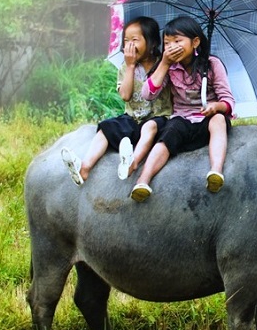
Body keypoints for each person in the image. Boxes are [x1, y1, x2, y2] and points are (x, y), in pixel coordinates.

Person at [130, 16, 235, 202]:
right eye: (167, 43)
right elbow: (148, 94)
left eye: (177, 41)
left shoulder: (212, 64)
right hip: (182, 119)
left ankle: (216, 171)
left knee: (219, 119)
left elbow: (227, 100)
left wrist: (215, 107)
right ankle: (143, 180)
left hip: (207, 120)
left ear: (195, 42)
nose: (171, 47)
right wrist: (164, 63)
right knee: (170, 131)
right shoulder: (169, 68)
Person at [61, 16, 172, 186]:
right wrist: (130, 67)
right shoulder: (125, 68)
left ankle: (131, 163)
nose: (130, 45)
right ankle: (84, 168)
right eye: (126, 40)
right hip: (133, 118)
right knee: (107, 127)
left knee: (150, 127)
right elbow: (125, 96)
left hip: (157, 120)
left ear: (152, 43)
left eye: (135, 40)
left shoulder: (163, 65)